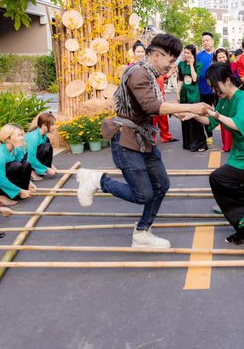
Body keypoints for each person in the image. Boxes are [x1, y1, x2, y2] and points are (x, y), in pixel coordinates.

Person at [76, 34, 211, 249]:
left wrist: (176, 112)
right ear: (157, 55)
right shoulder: (139, 73)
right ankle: (97, 180)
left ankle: (142, 233)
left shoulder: (149, 73)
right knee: (143, 194)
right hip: (127, 140)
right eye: (170, 59)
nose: (172, 65)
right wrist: (190, 107)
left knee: (161, 185)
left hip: (143, 137)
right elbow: (150, 106)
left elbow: (151, 104)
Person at [182, 63, 244, 245]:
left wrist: (214, 114)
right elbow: (211, 121)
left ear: (228, 80)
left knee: (218, 178)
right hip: (240, 152)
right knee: (241, 188)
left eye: (216, 86)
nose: (215, 91)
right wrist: (191, 114)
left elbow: (238, 125)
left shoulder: (243, 98)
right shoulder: (224, 100)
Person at [0, 123, 35, 205]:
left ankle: (17, 193)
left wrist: (29, 183)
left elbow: (22, 169)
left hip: (6, 177)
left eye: (22, 135)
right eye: (19, 136)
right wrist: (19, 191)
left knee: (26, 164)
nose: (22, 138)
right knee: (15, 165)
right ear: (8, 139)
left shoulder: (17, 148)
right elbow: (0, 180)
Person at [178, 44, 207, 152]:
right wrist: (178, 92)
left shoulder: (198, 65)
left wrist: (191, 64)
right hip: (184, 95)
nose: (186, 55)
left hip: (194, 95)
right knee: (185, 118)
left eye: (188, 53)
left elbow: (195, 79)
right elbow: (180, 79)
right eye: (184, 52)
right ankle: (188, 143)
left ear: (193, 54)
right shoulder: (180, 64)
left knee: (195, 119)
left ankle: (200, 143)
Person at [214, 47, 237, 152]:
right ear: (216, 58)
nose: (222, 59)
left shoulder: (233, 66)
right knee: (223, 120)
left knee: (233, 120)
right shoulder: (214, 69)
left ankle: (234, 145)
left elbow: (237, 79)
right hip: (221, 97)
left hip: (233, 96)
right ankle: (226, 145)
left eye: (224, 56)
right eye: (219, 57)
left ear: (227, 57)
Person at [25, 112, 58, 181]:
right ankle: (31, 172)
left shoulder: (44, 135)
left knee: (47, 146)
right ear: (43, 126)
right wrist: (46, 169)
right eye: (52, 125)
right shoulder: (33, 138)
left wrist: (51, 166)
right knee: (46, 147)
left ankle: (38, 170)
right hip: (22, 159)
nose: (54, 127)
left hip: (29, 157)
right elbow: (31, 158)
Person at [197, 32, 216, 145]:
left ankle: (227, 137)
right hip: (203, 90)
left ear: (212, 41)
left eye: (207, 40)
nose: (205, 43)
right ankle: (209, 135)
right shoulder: (199, 56)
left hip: (218, 91)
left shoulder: (218, 54)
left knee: (221, 112)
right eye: (203, 41)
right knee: (205, 113)